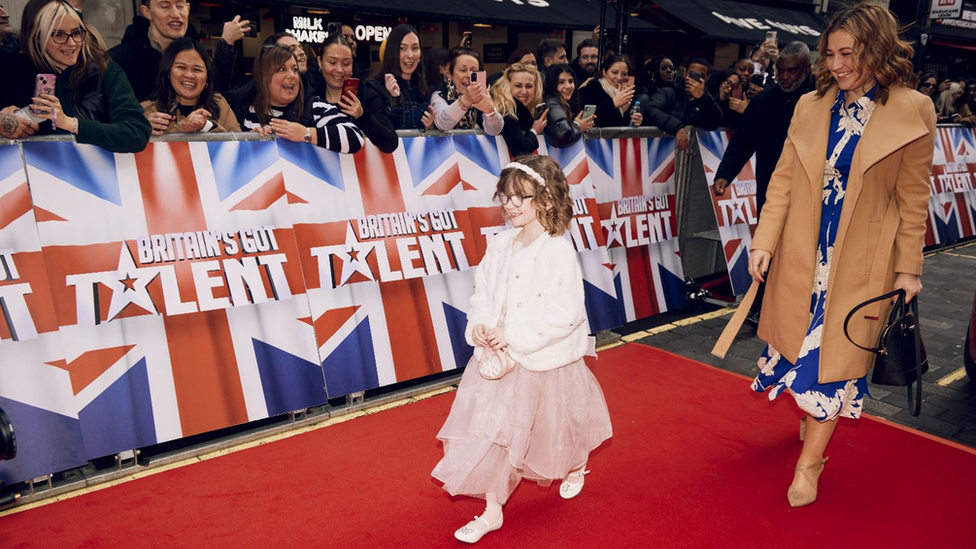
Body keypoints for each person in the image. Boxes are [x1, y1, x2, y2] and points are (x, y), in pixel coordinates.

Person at [739, 2, 935, 508]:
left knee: (836, 358)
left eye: (849, 53)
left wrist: (909, 269)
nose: (837, 64)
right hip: (806, 250)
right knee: (798, 346)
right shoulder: (810, 105)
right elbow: (781, 180)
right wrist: (764, 240)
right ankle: (812, 421)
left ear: (878, 48)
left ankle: (811, 463)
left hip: (863, 260)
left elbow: (913, 199)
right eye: (831, 54)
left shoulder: (913, 108)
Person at [432, 154, 612, 544]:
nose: (510, 204)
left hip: (546, 358)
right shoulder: (499, 246)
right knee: (493, 432)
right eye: (506, 196)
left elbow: (565, 312)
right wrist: (479, 325)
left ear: (545, 200)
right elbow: (482, 292)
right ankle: (492, 510)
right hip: (500, 362)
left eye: (520, 197)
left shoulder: (557, 250)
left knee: (560, 426)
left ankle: (576, 464)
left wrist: (512, 333)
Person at [21, 1, 150, 152]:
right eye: (59, 35)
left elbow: (137, 133)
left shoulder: (105, 71)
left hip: (99, 172)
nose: (72, 43)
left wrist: (70, 123)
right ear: (37, 37)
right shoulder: (17, 72)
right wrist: (10, 121)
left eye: (76, 33)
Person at [713, 41, 815, 211]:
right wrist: (725, 174)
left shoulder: (824, 98)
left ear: (807, 69)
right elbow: (743, 140)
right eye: (780, 70)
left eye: (792, 71)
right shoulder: (763, 101)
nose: (784, 77)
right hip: (771, 184)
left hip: (810, 186)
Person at [109, 0, 244, 102]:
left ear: (188, 8)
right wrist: (141, 122)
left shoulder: (197, 51)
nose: (175, 14)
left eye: (180, 6)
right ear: (147, 12)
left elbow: (216, 94)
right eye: (165, 6)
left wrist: (226, 45)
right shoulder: (118, 59)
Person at [142, 38, 240, 135]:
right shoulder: (149, 111)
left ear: (207, 76)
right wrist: (183, 127)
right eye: (181, 67)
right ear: (168, 72)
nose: (189, 75)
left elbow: (238, 145)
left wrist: (207, 126)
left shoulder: (219, 105)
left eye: (197, 69)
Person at [361, 24, 433, 131]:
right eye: (402, 48)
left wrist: (430, 128)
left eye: (415, 48)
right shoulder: (374, 88)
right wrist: (394, 101)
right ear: (392, 52)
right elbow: (382, 132)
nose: (410, 55)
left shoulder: (424, 90)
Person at [646, 57, 721, 148]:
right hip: (663, 150)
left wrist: (702, 98)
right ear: (685, 73)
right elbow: (651, 110)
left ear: (707, 79)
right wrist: (677, 128)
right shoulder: (668, 92)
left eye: (701, 76)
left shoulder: (706, 99)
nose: (694, 80)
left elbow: (716, 122)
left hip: (691, 154)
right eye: (692, 74)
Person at [430, 48, 503, 135]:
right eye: (463, 70)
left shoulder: (483, 93)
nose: (469, 75)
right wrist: (466, 100)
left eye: (474, 71)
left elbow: (495, 130)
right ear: (449, 73)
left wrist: (490, 111)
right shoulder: (440, 93)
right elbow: (442, 123)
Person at [490, 63, 547, 156]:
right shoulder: (506, 110)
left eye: (529, 86)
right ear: (507, 86)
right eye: (518, 86)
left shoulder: (523, 110)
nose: (524, 91)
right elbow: (520, 151)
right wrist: (534, 130)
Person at [578, 55, 643, 128]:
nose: (619, 77)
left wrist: (635, 121)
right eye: (614, 72)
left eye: (624, 74)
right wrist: (613, 103)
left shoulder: (626, 94)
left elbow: (623, 125)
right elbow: (591, 119)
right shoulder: (590, 89)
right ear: (604, 72)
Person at [542, 63, 595, 148]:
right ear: (552, 84)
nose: (568, 86)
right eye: (561, 82)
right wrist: (578, 126)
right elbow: (562, 136)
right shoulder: (551, 103)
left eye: (571, 81)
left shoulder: (571, 103)